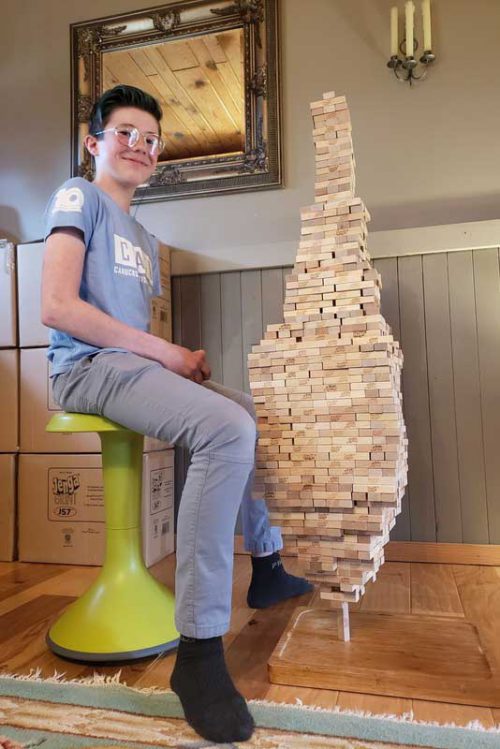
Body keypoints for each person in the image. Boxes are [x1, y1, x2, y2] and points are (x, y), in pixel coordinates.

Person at [41, 84, 312, 744]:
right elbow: (56, 306)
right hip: (83, 367)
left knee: (246, 412)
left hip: (129, 367)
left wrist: (170, 360)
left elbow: (135, 327)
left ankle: (268, 568)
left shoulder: (141, 233)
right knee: (225, 427)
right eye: (126, 132)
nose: (139, 146)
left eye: (151, 139)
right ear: (94, 141)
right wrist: (164, 352)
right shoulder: (79, 197)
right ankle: (197, 653)